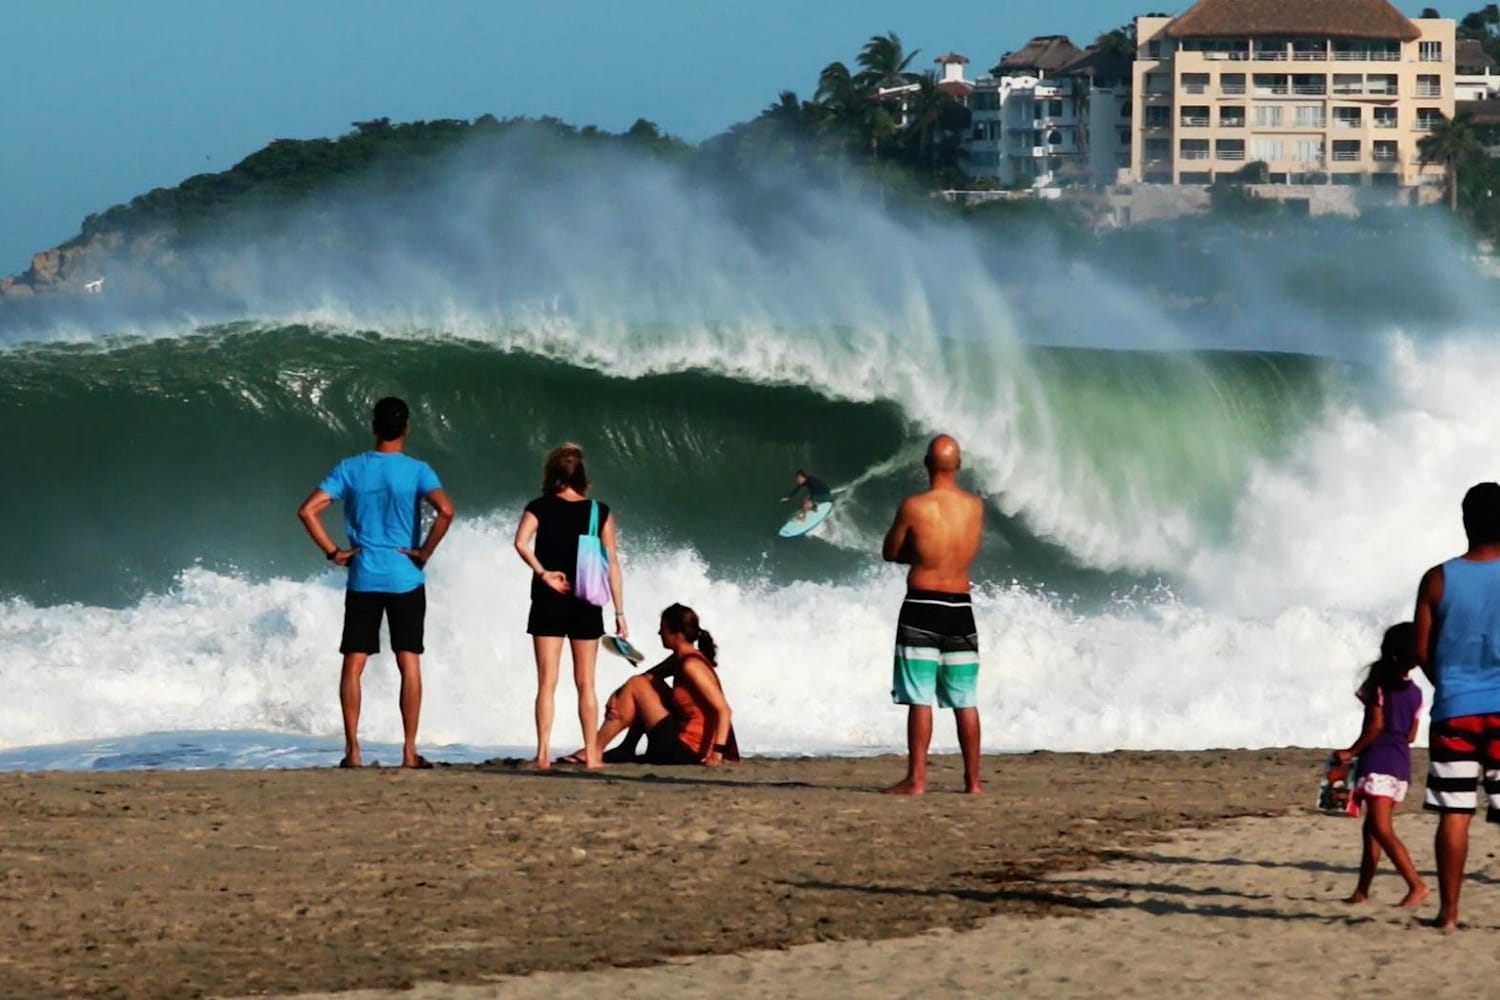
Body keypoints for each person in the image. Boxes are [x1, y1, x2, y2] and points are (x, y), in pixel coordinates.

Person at [297, 396, 455, 769]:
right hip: (405, 577)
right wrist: (424, 552)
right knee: (409, 663)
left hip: (364, 576)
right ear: (406, 428)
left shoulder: (350, 468)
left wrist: (333, 552)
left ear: (373, 427)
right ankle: (409, 751)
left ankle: (353, 751)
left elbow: (308, 510)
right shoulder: (418, 471)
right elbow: (446, 511)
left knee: (353, 664)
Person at [880, 434, 984, 795]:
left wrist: (917, 556)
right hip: (961, 605)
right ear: (958, 465)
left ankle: (917, 779)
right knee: (965, 699)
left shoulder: (914, 506)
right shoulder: (975, 507)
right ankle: (973, 782)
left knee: (920, 695)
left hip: (923, 604)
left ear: (926, 464)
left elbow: (890, 551)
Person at [1417, 481, 1500, 929]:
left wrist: (1449, 685)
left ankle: (1448, 915)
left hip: (1455, 710)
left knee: (1455, 813)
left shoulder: (1438, 578)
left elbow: (1422, 647)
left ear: (1465, 521)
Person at [513, 444, 625, 770]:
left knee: (547, 682)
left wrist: (543, 573)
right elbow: (612, 562)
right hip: (586, 601)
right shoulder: (598, 511)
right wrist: (619, 611)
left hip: (549, 599)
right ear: (582, 476)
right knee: (586, 683)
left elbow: (520, 542)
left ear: (551, 474)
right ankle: (592, 754)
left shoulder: (539, 507)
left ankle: (543, 754)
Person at [1334, 622, 1428, 908]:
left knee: (1382, 829)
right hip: (1400, 764)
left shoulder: (1378, 686)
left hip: (1379, 762)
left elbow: (1375, 725)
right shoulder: (1416, 693)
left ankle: (1416, 885)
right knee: (1372, 831)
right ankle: (1361, 891)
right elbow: (1411, 735)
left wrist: (1351, 752)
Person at [589, 603, 738, 767]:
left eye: (663, 628)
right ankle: (625, 747)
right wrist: (617, 695)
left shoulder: (692, 666)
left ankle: (594, 749)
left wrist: (717, 753)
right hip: (683, 742)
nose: (659, 633)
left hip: (688, 751)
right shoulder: (680, 659)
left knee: (637, 684)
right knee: (645, 684)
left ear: (677, 634)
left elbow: (724, 710)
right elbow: (648, 678)